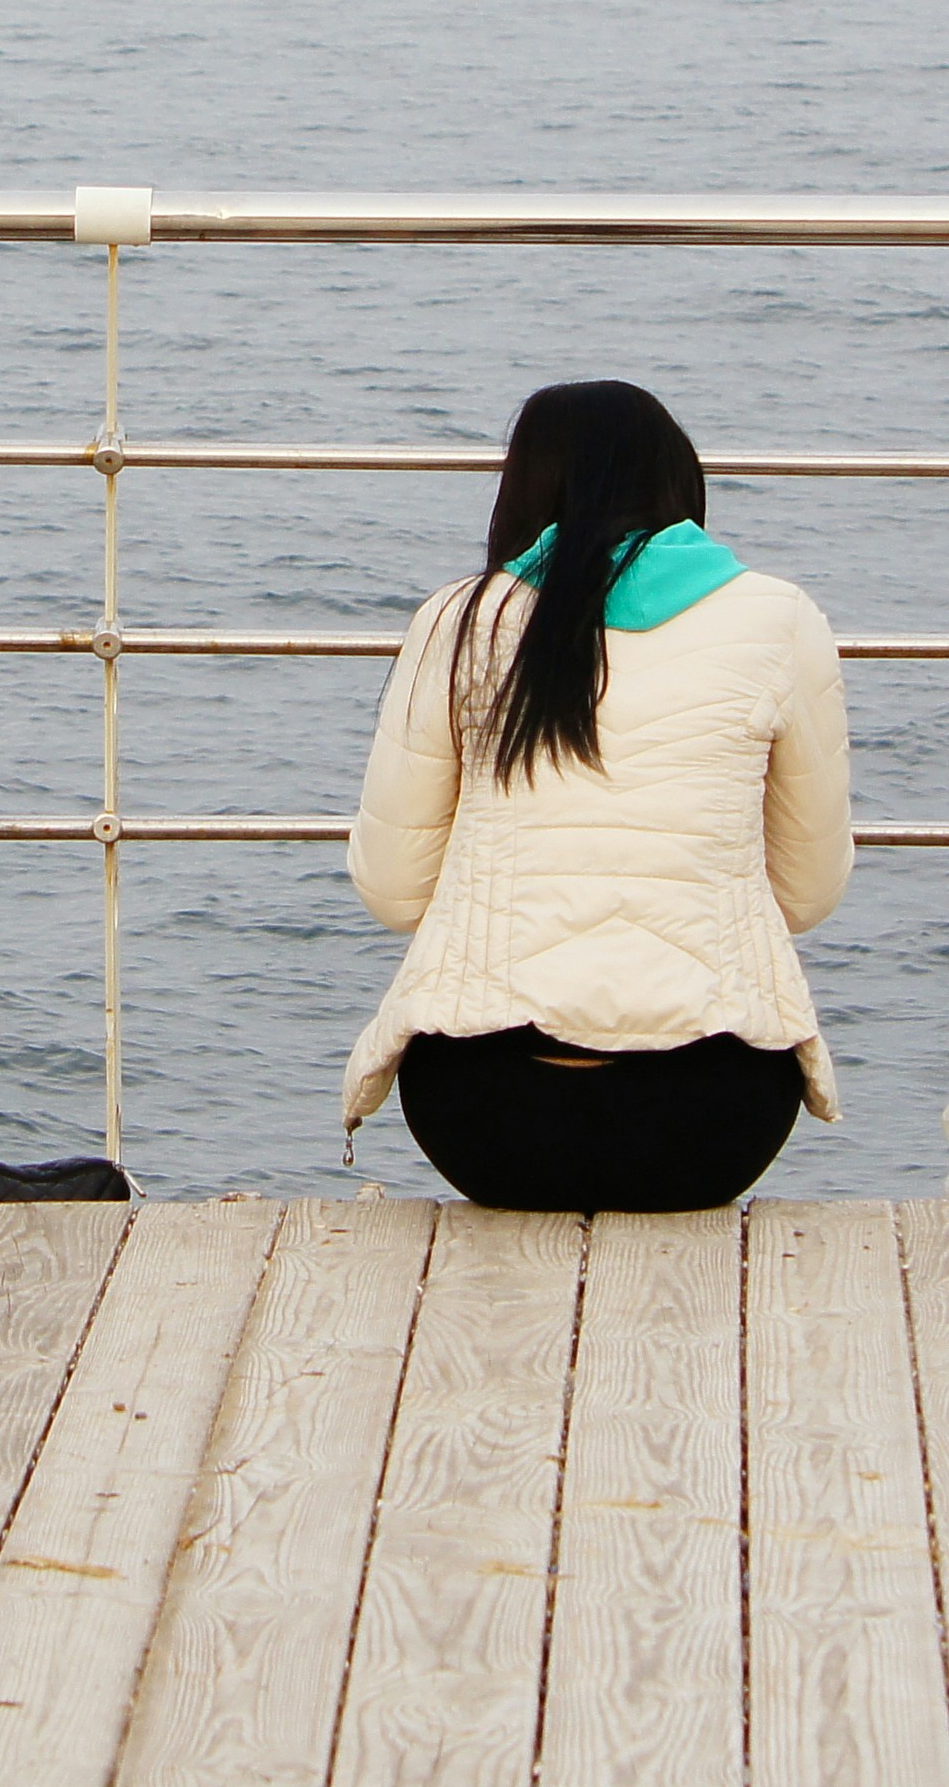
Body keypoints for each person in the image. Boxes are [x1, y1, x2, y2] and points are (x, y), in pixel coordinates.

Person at [343, 380, 852, 1208]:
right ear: (679, 484)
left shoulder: (460, 620)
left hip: (487, 1120)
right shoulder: (780, 618)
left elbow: (394, 890)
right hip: (715, 1121)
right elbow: (807, 891)